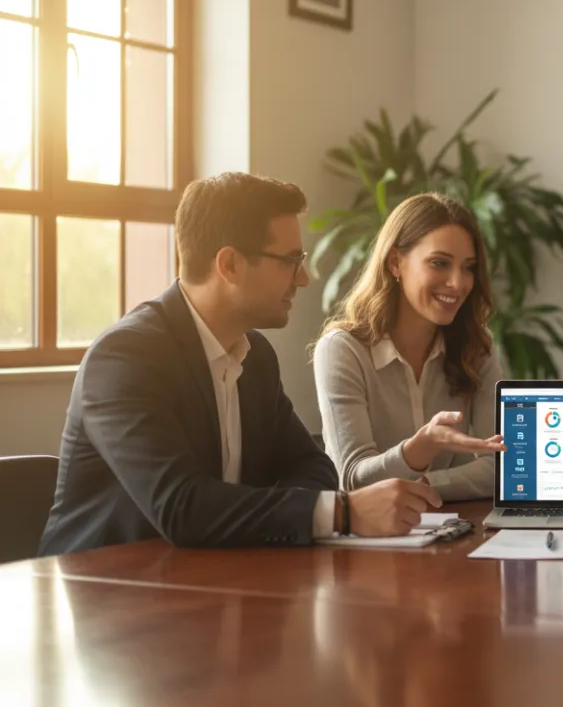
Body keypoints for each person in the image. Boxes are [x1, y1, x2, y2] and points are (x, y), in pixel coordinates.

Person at [39, 173, 442, 556]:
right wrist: (343, 513)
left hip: (204, 583)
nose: (302, 278)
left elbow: (311, 465)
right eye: (289, 260)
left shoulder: (256, 356)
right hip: (97, 596)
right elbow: (182, 507)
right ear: (229, 265)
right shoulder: (126, 357)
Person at [313, 193, 506, 501]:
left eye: (468, 267)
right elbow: (352, 480)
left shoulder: (477, 347)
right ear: (395, 263)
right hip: (369, 541)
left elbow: (499, 466)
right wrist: (420, 448)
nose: (458, 283)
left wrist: (423, 487)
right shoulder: (343, 350)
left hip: (454, 530)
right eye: (439, 263)